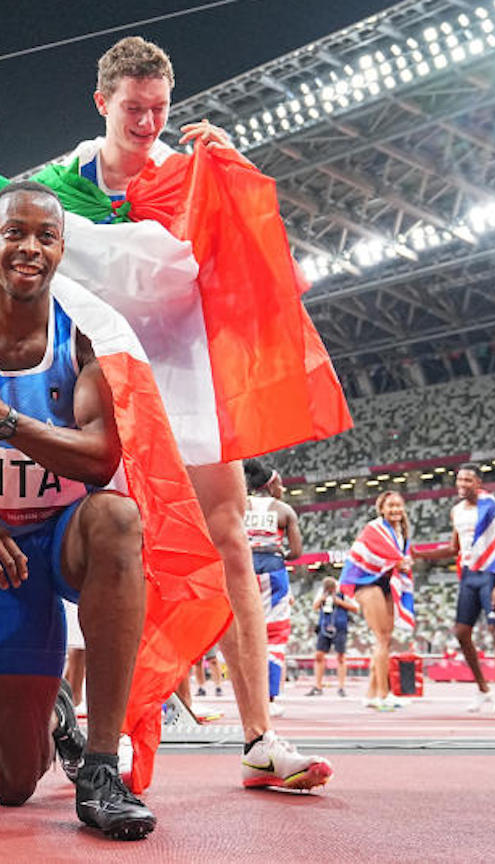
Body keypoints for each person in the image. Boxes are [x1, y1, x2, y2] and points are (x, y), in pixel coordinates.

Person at [57, 36, 332, 791]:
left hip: (185, 381)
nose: (146, 124)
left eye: (157, 110)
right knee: (94, 556)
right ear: (101, 104)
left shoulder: (190, 177)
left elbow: (271, 273)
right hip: (101, 389)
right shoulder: (57, 185)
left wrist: (233, 177)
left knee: (231, 542)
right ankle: (67, 718)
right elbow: (1, 232)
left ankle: (259, 738)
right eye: (132, 109)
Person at [0, 181, 157, 839]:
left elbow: (99, 459)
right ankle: (55, 707)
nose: (29, 247)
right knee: (13, 785)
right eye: (14, 233)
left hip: (65, 538)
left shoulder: (82, 337)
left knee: (116, 517)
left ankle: (102, 767)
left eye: (44, 236)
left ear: (60, 248)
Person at [417, 464, 495, 714]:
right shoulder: (456, 511)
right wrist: (420, 554)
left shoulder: (493, 508)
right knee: (461, 631)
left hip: (491, 573)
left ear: (478, 483)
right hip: (469, 574)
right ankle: (483, 689)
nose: (462, 484)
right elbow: (453, 548)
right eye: (460, 479)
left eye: (468, 480)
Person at [340, 491, 414, 710]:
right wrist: (397, 561)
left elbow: (397, 559)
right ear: (381, 509)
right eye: (390, 506)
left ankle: (372, 695)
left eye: (398, 505)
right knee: (381, 638)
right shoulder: (374, 529)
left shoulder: (401, 533)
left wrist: (403, 563)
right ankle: (384, 694)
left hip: (387, 583)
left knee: (385, 639)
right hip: (366, 582)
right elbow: (369, 554)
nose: (395, 510)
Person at [243, 460, 302, 714]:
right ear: (272, 484)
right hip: (273, 570)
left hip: (243, 567)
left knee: (247, 634)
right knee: (275, 636)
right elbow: (297, 552)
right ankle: (268, 700)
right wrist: (278, 555)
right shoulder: (284, 510)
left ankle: (248, 700)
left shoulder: (239, 503)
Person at [308, 576, 358, 698]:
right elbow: (314, 607)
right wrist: (322, 599)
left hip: (340, 627)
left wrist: (340, 603)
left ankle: (341, 687)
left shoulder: (344, 592)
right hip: (324, 626)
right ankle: (318, 686)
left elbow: (356, 608)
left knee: (341, 656)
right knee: (319, 655)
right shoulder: (322, 592)